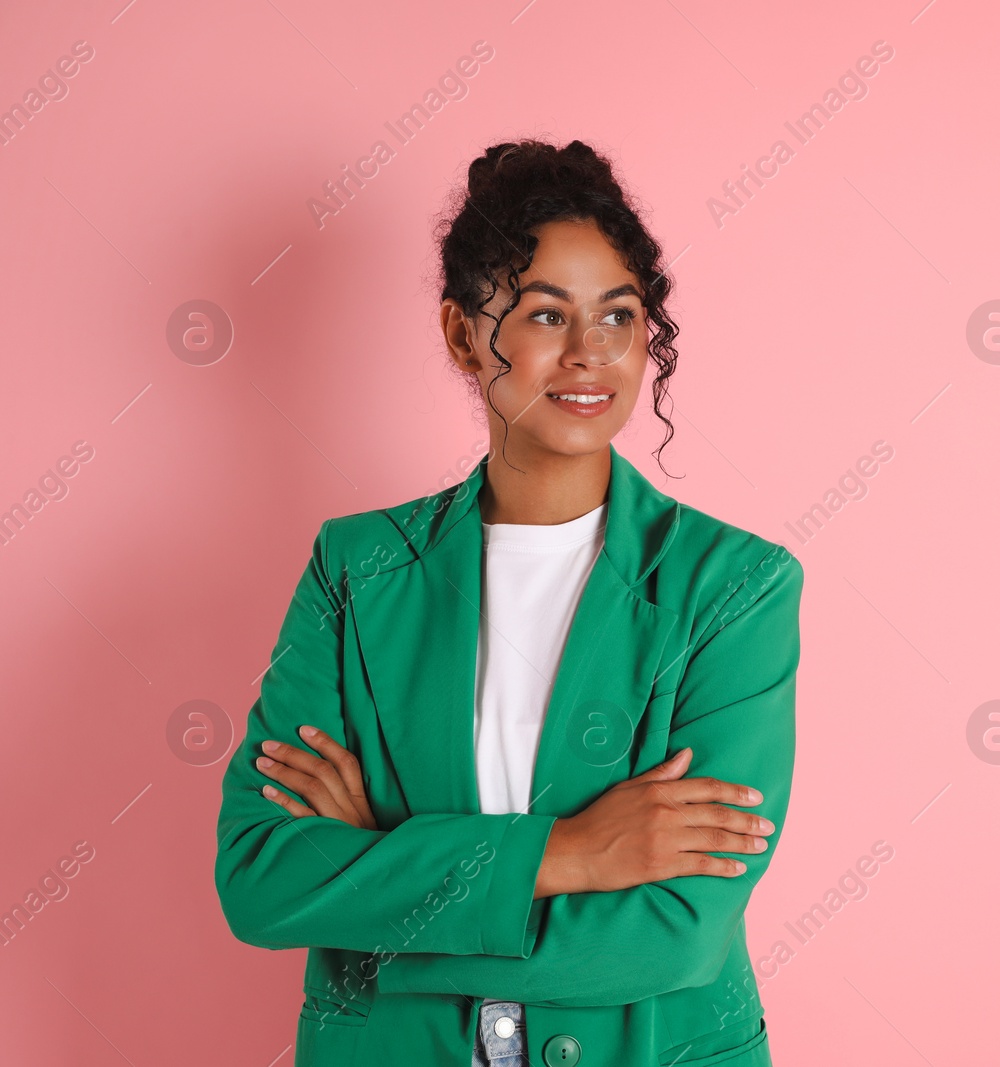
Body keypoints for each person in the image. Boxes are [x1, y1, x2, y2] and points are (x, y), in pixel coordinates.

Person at [214, 139, 803, 1067]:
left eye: (619, 315)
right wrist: (572, 853)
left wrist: (379, 886)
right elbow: (260, 879)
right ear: (460, 334)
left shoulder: (734, 586)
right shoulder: (356, 570)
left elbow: (675, 930)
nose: (589, 354)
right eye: (543, 315)